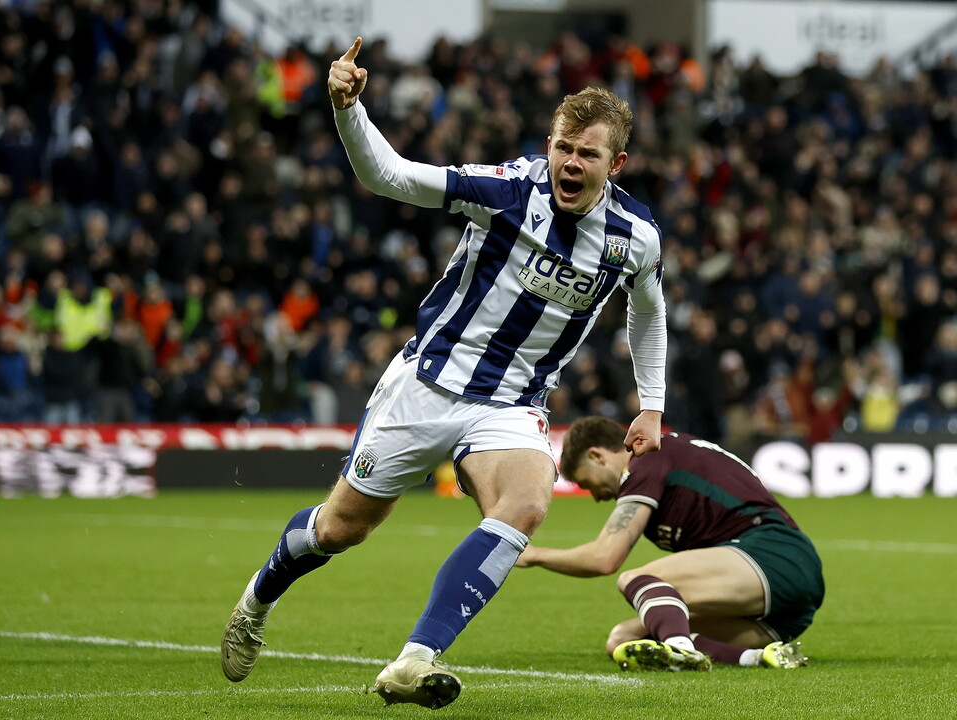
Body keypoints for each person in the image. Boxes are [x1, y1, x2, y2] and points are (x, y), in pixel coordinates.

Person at [220, 37, 668, 709]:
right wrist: (348, 109)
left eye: (587, 154)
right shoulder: (509, 190)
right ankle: (257, 601)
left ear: (617, 163)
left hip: (511, 402)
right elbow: (391, 177)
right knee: (340, 529)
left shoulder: (635, 236)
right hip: (426, 385)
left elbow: (649, 314)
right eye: (562, 148)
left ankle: (414, 659)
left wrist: (652, 403)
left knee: (527, 504)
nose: (570, 164)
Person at [517, 416, 824, 671]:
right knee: (624, 638)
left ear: (597, 456)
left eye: (588, 484)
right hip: (779, 615)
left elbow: (604, 558)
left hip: (772, 554)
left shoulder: (645, 459)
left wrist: (533, 555)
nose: (596, 497)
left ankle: (681, 651)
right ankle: (759, 657)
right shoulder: (670, 456)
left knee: (637, 579)